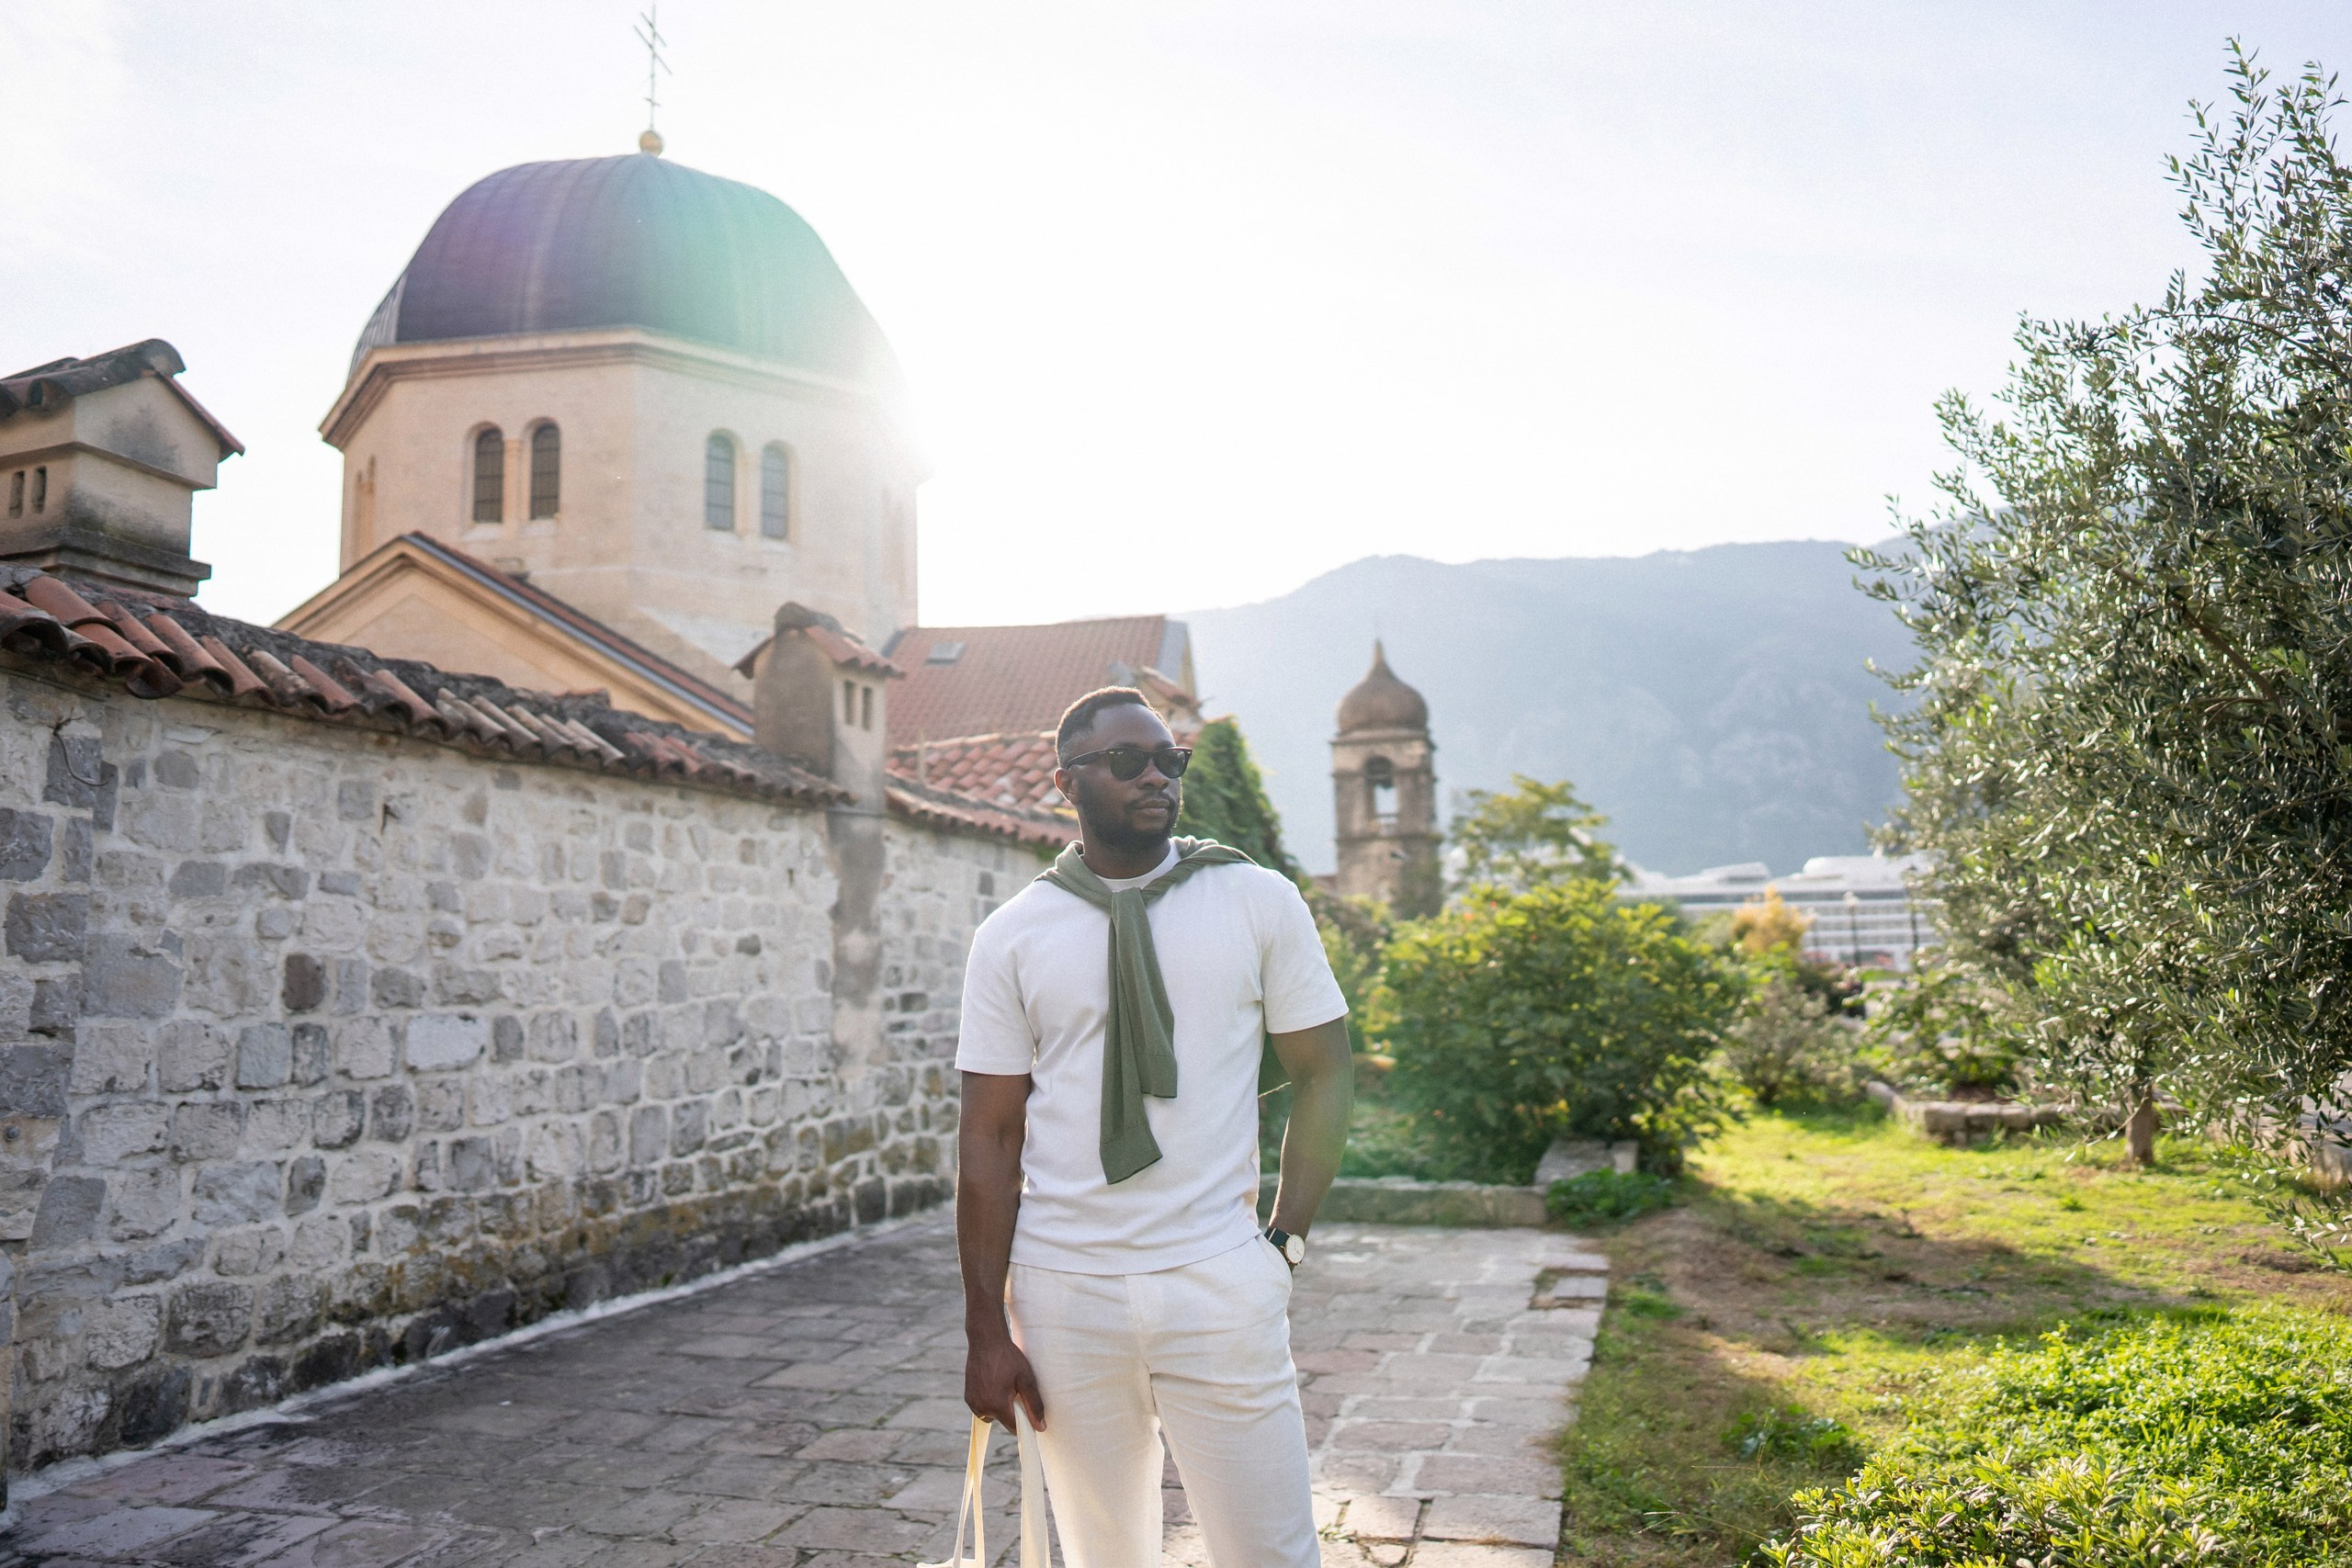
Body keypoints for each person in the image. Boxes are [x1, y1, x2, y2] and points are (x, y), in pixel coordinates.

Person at [956, 687, 1354, 1568]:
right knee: (1106, 1558)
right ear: (1067, 783)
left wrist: (1283, 1241)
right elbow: (988, 1137)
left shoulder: (1257, 899)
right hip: (1064, 1295)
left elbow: (1328, 1072)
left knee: (1275, 1553)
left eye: (1170, 759)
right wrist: (988, 1329)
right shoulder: (1013, 936)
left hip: (1218, 1277)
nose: (1157, 776)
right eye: (1128, 761)